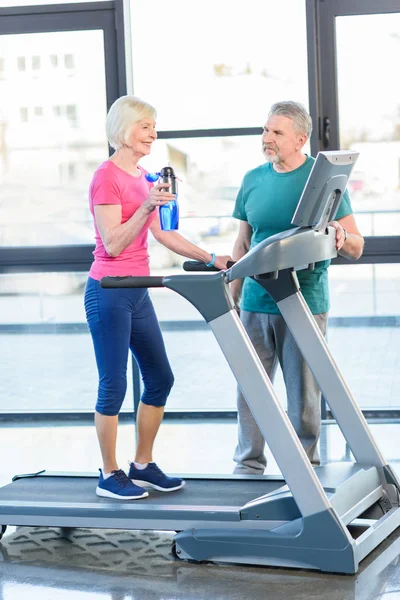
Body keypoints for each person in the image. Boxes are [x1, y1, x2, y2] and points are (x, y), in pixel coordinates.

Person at [84, 95, 231, 500]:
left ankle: (142, 465)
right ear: (125, 130)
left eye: (154, 127)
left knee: (160, 378)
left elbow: (164, 233)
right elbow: (113, 244)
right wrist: (146, 203)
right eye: (146, 126)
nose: (153, 134)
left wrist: (211, 257)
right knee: (113, 386)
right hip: (109, 291)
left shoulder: (144, 177)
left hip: (137, 292)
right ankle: (109, 474)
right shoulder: (107, 177)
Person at [231, 100, 364, 474]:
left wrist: (338, 235)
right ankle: (248, 465)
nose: (266, 138)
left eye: (276, 132)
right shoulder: (252, 179)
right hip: (256, 302)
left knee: (303, 394)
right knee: (250, 389)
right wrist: (231, 296)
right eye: (265, 130)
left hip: (304, 300)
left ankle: (306, 469)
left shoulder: (322, 181)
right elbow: (243, 244)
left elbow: (357, 245)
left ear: (300, 139)